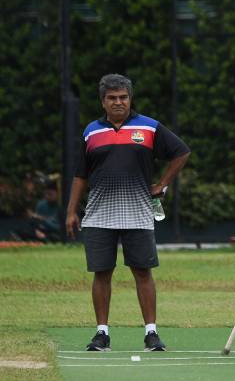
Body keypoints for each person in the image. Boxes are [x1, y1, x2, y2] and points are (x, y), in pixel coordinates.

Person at [65, 74, 190, 352]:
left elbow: (181, 152)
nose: (118, 102)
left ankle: (151, 333)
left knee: (142, 272)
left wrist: (162, 183)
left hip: (138, 212)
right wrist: (71, 211)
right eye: (112, 98)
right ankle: (102, 333)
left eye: (123, 97)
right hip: (98, 214)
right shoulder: (91, 132)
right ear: (103, 102)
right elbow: (80, 174)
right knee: (101, 273)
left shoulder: (149, 127)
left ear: (130, 99)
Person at [11, 178, 62, 243]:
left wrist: (42, 219)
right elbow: (36, 223)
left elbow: (58, 227)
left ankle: (43, 239)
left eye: (50, 194)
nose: (47, 197)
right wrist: (37, 229)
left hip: (54, 232)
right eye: (46, 194)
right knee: (20, 231)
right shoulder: (41, 204)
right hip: (41, 230)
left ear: (58, 194)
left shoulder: (61, 207)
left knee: (54, 237)